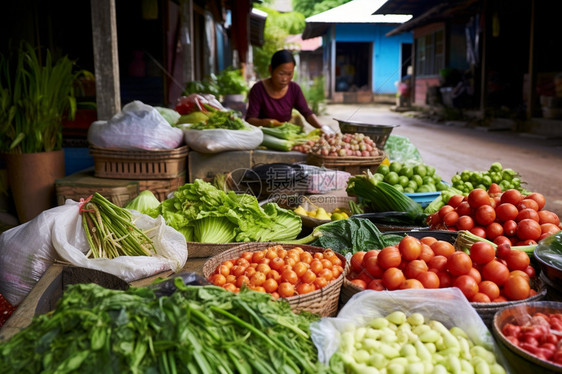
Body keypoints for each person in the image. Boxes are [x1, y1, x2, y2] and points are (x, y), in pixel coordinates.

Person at [245, 49, 335, 134]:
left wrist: (322, 127)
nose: (285, 79)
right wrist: (267, 123)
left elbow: (307, 113)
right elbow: (250, 120)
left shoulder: (294, 89)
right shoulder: (258, 89)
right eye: (281, 73)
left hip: (285, 134)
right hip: (263, 135)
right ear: (270, 69)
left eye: (289, 74)